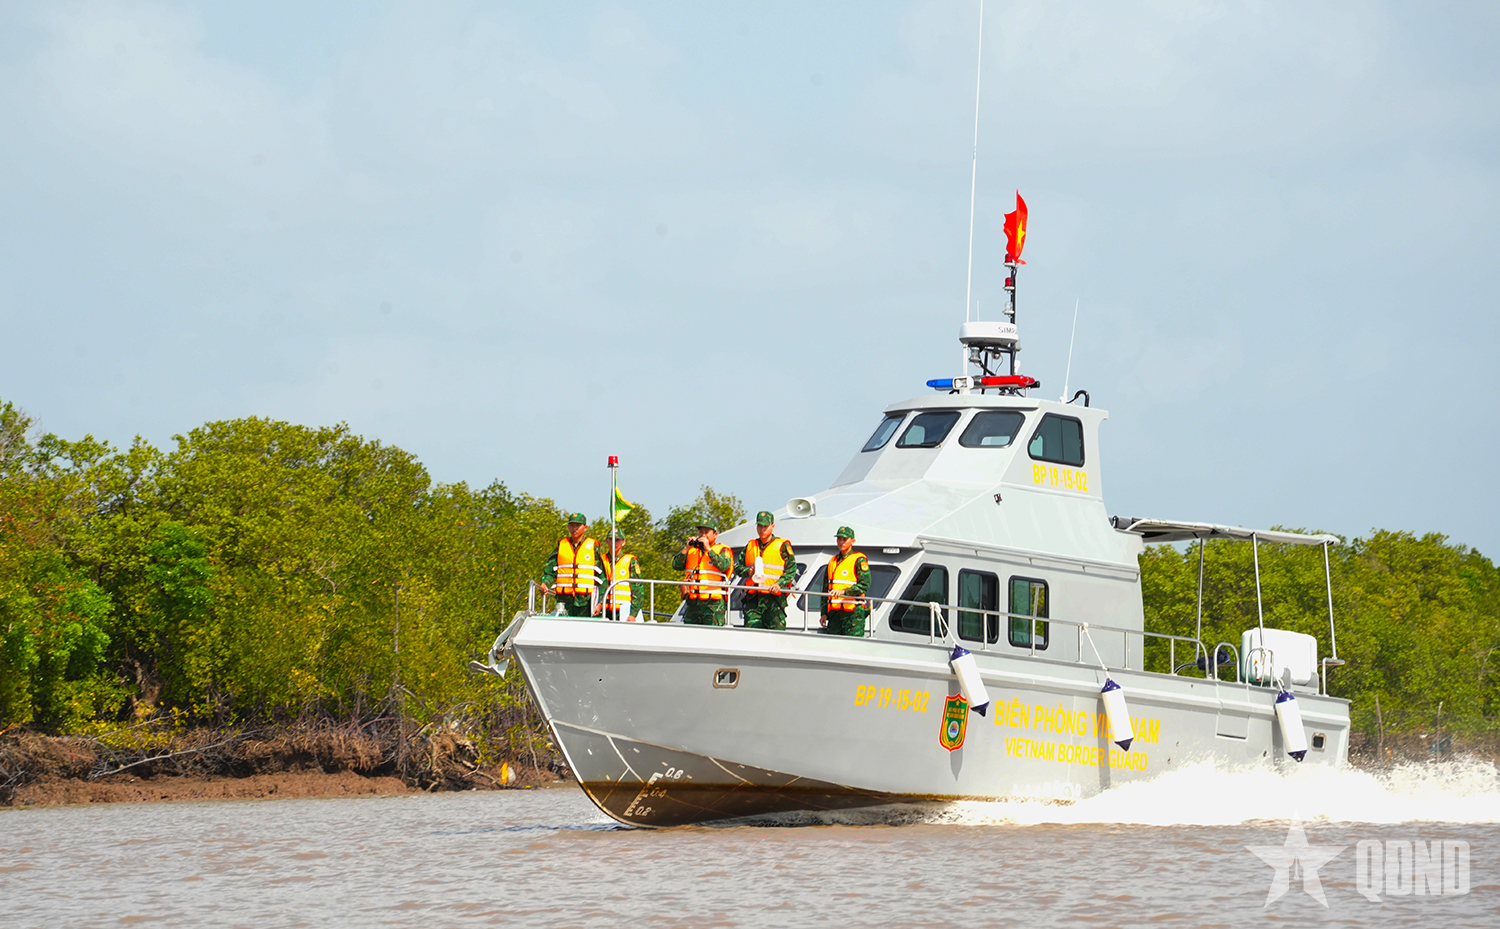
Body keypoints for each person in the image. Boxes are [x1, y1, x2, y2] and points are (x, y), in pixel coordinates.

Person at [735, 511, 796, 630]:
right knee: (752, 633)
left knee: (776, 635)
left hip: (774, 599)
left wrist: (779, 584)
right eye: (759, 526)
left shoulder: (782, 545)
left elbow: (791, 570)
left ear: (772, 526)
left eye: (765, 526)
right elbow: (738, 568)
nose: (762, 529)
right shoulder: (750, 546)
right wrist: (748, 571)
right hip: (754, 599)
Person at [671, 518, 734, 625]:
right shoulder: (692, 550)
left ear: (715, 534)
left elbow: (723, 565)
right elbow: (676, 565)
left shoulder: (722, 550)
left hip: (713, 605)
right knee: (691, 635)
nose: (703, 535)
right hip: (693, 603)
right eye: (701, 532)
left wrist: (708, 549)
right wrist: (686, 548)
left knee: (712, 636)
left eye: (706, 532)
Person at [540, 513, 601, 617]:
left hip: (586, 602)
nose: (574, 529)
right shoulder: (561, 545)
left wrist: (600, 602)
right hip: (564, 601)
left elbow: (601, 577)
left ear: (585, 527)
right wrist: (545, 583)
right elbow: (550, 570)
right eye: (571, 525)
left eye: (578, 525)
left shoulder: (593, 546)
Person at [821, 526, 870, 637]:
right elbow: (825, 589)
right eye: (839, 539)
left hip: (853, 614)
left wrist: (844, 592)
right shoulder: (832, 561)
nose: (841, 542)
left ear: (852, 541)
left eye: (845, 539)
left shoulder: (859, 560)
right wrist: (824, 613)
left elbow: (864, 585)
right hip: (835, 614)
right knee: (833, 645)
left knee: (853, 646)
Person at [599, 534, 645, 621]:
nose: (614, 543)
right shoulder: (601, 560)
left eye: (617, 540)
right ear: (606, 541)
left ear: (623, 542)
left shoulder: (630, 561)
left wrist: (633, 614)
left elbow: (638, 589)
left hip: (623, 610)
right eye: (611, 539)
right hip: (604, 611)